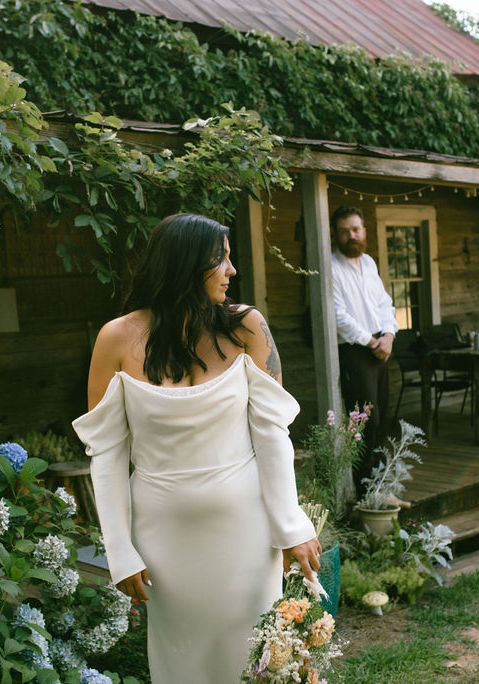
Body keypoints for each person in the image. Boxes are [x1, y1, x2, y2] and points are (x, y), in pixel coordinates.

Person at [71, 214, 320, 684]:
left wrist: (290, 526)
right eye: (220, 259)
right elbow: (106, 454)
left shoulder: (245, 327)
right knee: (183, 663)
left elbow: (271, 435)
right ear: (186, 264)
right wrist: (120, 550)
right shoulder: (116, 339)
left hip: (246, 531)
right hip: (164, 539)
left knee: (257, 657)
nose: (232, 270)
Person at [328, 205, 400, 493]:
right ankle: (364, 490)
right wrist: (371, 342)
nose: (352, 236)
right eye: (345, 232)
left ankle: (379, 486)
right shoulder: (331, 267)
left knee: (382, 420)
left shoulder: (368, 263)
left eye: (356, 229)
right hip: (356, 352)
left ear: (364, 231)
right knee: (366, 423)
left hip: (380, 348)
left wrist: (389, 337)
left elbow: (384, 303)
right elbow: (338, 316)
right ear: (336, 235)